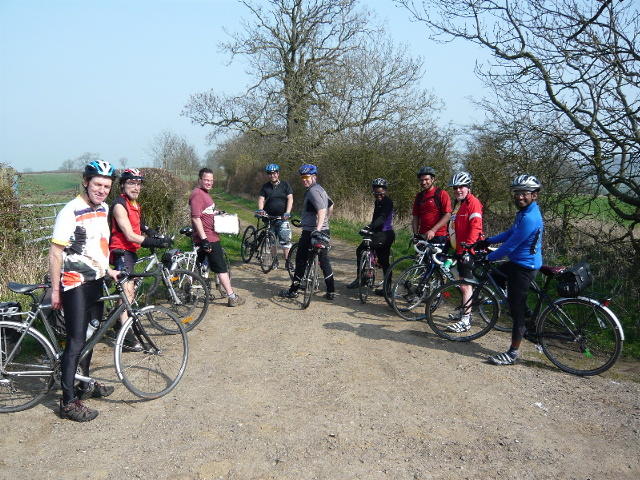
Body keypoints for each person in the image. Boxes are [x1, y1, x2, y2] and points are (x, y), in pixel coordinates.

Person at [48, 160, 121, 422]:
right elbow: (56, 253)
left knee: (92, 336)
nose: (102, 190)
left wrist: (108, 269)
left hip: (96, 282)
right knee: (76, 341)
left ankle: (83, 385)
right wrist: (56, 290)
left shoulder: (104, 208)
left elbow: (97, 246)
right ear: (86, 182)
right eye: (98, 184)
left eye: (107, 186)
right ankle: (67, 402)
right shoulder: (71, 211)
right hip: (74, 284)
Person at [476, 175, 543, 365]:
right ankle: (526, 314)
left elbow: (510, 246)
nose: (520, 197)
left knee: (516, 310)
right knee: (496, 276)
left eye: (524, 193)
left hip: (524, 267)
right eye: (517, 193)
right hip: (517, 263)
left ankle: (512, 353)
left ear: (534, 195)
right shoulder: (524, 213)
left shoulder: (530, 217)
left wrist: (486, 256)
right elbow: (510, 233)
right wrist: (488, 241)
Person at [109, 168, 173, 351]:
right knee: (127, 293)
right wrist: (152, 241)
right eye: (131, 183)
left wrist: (149, 230)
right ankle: (127, 339)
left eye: (138, 184)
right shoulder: (119, 204)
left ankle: (116, 325)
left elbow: (137, 223)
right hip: (122, 251)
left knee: (128, 289)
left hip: (131, 251)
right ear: (122, 185)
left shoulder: (134, 204)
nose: (135, 187)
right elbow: (129, 234)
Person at [189, 168, 245, 307]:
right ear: (199, 180)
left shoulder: (204, 194)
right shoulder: (197, 194)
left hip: (208, 236)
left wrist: (218, 213)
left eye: (211, 181)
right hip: (209, 238)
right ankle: (232, 296)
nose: (209, 183)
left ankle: (187, 291)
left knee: (197, 266)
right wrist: (205, 240)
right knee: (221, 268)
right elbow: (196, 218)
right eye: (206, 180)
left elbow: (205, 212)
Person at [279, 164, 335, 300]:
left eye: (307, 177)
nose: (304, 180)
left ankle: (293, 291)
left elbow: (321, 210)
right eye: (302, 177)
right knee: (324, 260)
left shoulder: (312, 191)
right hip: (324, 230)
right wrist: (326, 221)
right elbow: (330, 205)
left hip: (312, 231)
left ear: (314, 177)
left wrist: (317, 228)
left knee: (301, 260)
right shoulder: (320, 189)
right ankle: (331, 290)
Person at [446, 171, 484, 333]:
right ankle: (466, 308)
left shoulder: (473, 203)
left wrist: (468, 248)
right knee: (459, 279)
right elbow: (455, 227)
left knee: (465, 284)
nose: (458, 190)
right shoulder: (460, 204)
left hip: (470, 250)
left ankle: (466, 320)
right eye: (455, 188)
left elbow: (475, 226)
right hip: (459, 248)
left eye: (461, 187)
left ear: (468, 187)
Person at [346, 178, 395, 295]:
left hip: (385, 234)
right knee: (382, 260)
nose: (379, 196)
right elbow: (376, 219)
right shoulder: (377, 202)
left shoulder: (387, 202)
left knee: (362, 250)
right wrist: (370, 227)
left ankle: (362, 280)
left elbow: (382, 218)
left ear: (385, 192)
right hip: (378, 233)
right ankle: (367, 279)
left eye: (381, 194)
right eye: (376, 194)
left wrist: (370, 227)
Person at [257, 163, 294, 268]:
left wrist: (288, 212)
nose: (272, 175)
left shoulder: (285, 185)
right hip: (269, 218)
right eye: (269, 173)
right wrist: (260, 209)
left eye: (274, 173)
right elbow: (261, 199)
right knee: (272, 242)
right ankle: (274, 260)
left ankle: (288, 261)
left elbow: (290, 198)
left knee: (286, 241)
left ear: (278, 173)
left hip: (282, 218)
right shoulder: (265, 187)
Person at [412, 166, 452, 245]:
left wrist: (433, 230)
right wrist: (416, 234)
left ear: (432, 179)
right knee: (420, 257)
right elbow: (415, 216)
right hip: (422, 235)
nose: (423, 182)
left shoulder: (441, 194)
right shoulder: (419, 196)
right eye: (421, 180)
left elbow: (447, 214)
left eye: (426, 179)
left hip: (438, 235)